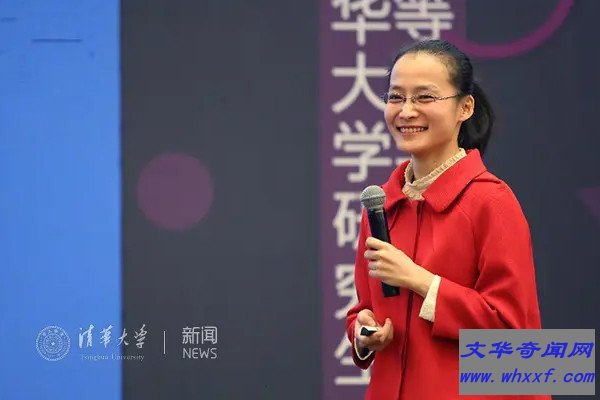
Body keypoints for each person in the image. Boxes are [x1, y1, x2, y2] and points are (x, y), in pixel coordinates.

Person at [345, 39, 549, 400]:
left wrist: (420, 280)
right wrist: (364, 333)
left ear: (464, 107)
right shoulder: (380, 205)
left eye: (424, 97)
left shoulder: (491, 201)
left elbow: (518, 340)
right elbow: (364, 309)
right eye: (396, 97)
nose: (406, 111)